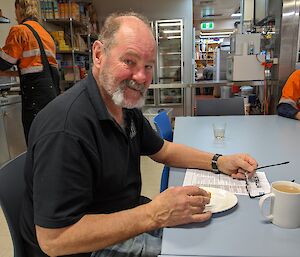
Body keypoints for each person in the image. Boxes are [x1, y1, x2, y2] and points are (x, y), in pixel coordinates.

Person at [20, 12, 258, 257]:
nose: (142, 77)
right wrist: (154, 214)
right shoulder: (66, 128)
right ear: (99, 54)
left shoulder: (122, 105)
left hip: (125, 215)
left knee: (209, 230)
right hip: (85, 247)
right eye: (129, 61)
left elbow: (163, 150)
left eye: (148, 66)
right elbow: (54, 240)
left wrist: (220, 161)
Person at [0, 0, 60, 142]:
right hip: (51, 97)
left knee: (35, 141)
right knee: (49, 141)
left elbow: (4, 62)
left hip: (35, 99)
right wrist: (7, 74)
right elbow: (37, 68)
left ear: (19, 8)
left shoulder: (20, 30)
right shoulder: (46, 35)